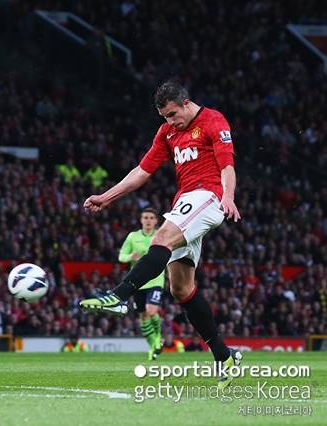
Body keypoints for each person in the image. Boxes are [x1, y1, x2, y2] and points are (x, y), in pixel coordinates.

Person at [79, 81, 242, 389]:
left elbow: (227, 165)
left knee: (160, 240)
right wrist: (106, 197)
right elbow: (142, 171)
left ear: (185, 103)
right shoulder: (166, 132)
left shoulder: (213, 120)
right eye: (164, 117)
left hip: (209, 196)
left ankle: (119, 296)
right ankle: (225, 356)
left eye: (172, 114)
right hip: (185, 201)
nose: (170, 122)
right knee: (181, 289)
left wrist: (229, 196)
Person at [118, 207, 164, 360]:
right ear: (141, 220)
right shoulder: (133, 236)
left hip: (156, 280)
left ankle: (158, 337)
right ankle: (152, 347)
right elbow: (121, 256)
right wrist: (130, 256)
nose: (148, 220)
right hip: (137, 282)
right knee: (143, 317)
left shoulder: (161, 235)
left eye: (151, 218)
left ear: (156, 221)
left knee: (151, 311)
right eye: (145, 217)